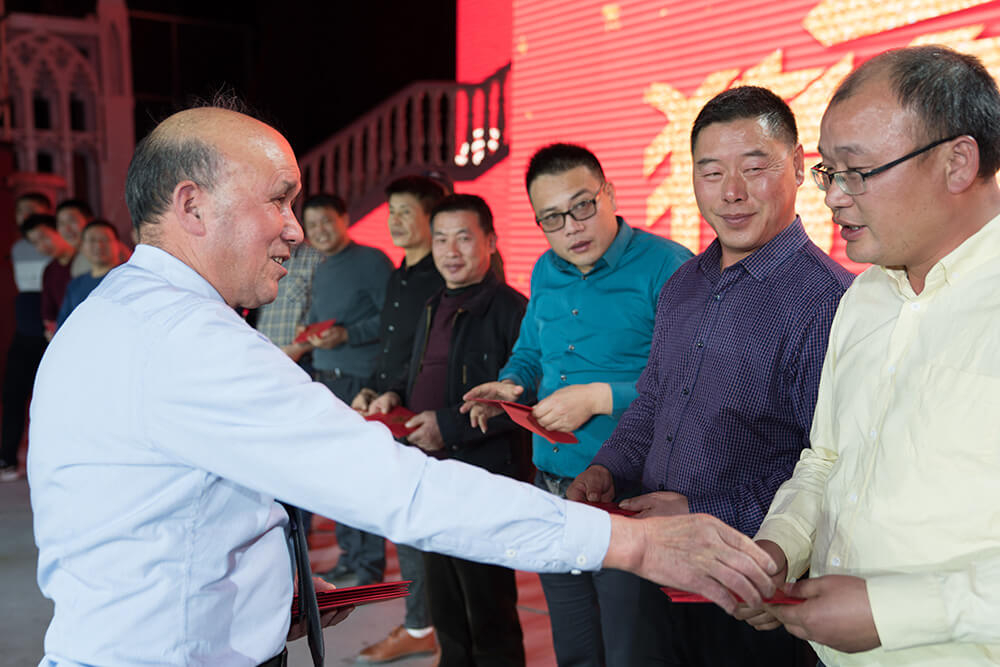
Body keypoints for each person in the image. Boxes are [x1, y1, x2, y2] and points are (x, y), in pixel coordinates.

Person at [28, 103, 779, 666]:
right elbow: (401, 491)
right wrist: (634, 544)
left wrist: (262, 587)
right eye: (278, 200)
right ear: (192, 205)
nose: (295, 228)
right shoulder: (187, 341)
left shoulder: (117, 314)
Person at [568, 86, 854, 666]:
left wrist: (707, 517)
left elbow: (832, 470)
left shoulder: (830, 303)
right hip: (656, 570)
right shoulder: (682, 284)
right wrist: (607, 468)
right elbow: (652, 402)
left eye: (755, 167)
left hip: (754, 587)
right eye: (711, 171)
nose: (731, 192)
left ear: (799, 166)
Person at [738, 45, 1000, 666]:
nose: (833, 198)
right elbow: (825, 460)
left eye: (856, 171)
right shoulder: (862, 298)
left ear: (957, 162)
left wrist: (893, 612)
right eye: (828, 172)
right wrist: (779, 550)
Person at [463, 143, 693, 666]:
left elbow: (691, 384)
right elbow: (530, 351)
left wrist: (600, 397)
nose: (571, 228)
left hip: (629, 493)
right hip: (552, 487)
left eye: (582, 206)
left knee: (632, 649)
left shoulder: (667, 266)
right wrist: (511, 384)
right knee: (574, 648)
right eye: (552, 218)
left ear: (609, 194)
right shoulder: (546, 269)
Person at [369, 193, 532, 665]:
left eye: (463, 237)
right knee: (446, 607)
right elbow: (421, 371)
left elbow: (520, 400)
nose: (450, 251)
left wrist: (448, 426)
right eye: (440, 239)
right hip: (431, 474)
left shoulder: (512, 310)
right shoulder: (432, 303)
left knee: (488, 610)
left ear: (491, 241)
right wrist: (393, 395)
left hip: (482, 479)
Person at [344, 175, 447, 663]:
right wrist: (372, 387)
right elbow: (391, 347)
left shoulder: (441, 277)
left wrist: (393, 392)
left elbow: (428, 356)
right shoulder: (399, 275)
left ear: (432, 217)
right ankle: (421, 624)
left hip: (421, 418)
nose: (396, 221)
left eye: (407, 212)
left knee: (423, 528)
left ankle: (424, 626)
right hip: (391, 413)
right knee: (404, 527)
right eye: (392, 212)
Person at [1, 193, 54, 481]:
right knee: (13, 394)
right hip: (25, 329)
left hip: (51, 330)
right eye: (21, 210)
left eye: (32, 209)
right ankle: (7, 459)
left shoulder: (58, 245)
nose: (25, 215)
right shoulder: (18, 247)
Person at [56, 220, 124, 327]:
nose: (98, 245)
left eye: (105, 239)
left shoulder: (128, 278)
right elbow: (63, 326)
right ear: (82, 246)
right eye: (92, 240)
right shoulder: (75, 285)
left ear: (118, 244)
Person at [22, 215, 76, 339]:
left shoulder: (86, 260)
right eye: (35, 243)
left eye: (44, 237)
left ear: (59, 230)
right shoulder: (49, 271)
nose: (42, 246)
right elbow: (49, 315)